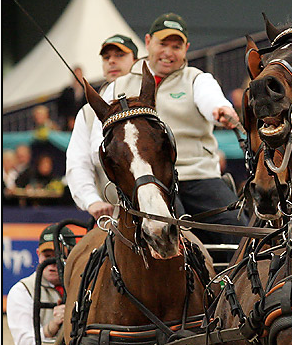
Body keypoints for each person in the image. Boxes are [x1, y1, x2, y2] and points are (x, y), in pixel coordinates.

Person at [97, 14, 245, 248]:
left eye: (176, 46)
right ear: (148, 42)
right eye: (162, 44)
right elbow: (101, 135)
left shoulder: (197, 79)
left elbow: (211, 99)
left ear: (186, 49)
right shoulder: (118, 86)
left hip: (198, 176)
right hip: (145, 183)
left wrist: (221, 110)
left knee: (239, 233)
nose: (168, 52)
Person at [66, 34, 139, 220]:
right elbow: (78, 163)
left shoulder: (150, 102)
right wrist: (92, 200)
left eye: (120, 55)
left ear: (136, 61)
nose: (112, 61)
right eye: (107, 58)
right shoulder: (87, 113)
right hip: (109, 217)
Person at [6, 225, 76, 345]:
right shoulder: (22, 291)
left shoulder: (85, 285)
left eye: (61, 255)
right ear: (38, 254)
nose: (54, 263)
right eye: (48, 256)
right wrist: (52, 326)